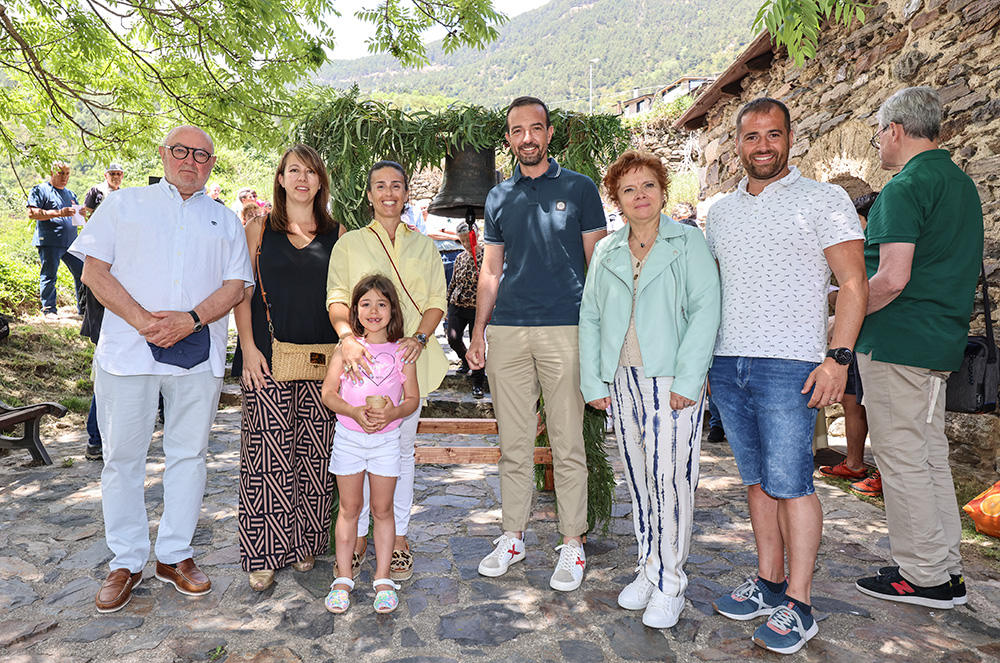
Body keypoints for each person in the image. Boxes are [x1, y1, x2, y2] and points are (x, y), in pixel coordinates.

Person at [705, 98, 867, 654]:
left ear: (790, 138)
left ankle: (800, 604)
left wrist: (838, 358)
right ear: (737, 144)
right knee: (757, 481)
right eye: (752, 136)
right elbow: (715, 291)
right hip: (729, 362)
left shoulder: (824, 199)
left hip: (792, 365)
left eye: (773, 134)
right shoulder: (720, 213)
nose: (763, 146)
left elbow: (854, 283)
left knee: (793, 483)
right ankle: (769, 581)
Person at [69, 125, 252, 614]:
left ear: (212, 164)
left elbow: (236, 286)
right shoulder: (123, 204)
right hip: (128, 354)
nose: (190, 160)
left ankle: (175, 555)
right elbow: (93, 272)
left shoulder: (225, 220)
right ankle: (126, 561)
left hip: (196, 354)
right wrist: (144, 322)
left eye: (202, 154)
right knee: (122, 459)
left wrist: (188, 320)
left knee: (189, 455)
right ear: (163, 153)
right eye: (181, 151)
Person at [467, 96, 606, 592]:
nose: (527, 137)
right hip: (507, 331)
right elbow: (490, 270)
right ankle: (513, 536)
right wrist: (479, 331)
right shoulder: (498, 197)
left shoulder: (580, 188)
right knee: (514, 445)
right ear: (508, 138)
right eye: (517, 130)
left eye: (535, 128)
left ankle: (572, 542)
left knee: (567, 443)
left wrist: (600, 336)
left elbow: (598, 268)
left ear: (549, 133)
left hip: (565, 329)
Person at [853, 86, 983, 609]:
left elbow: (890, 279)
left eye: (878, 133)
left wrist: (840, 314)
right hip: (939, 342)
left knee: (901, 460)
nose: (879, 143)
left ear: (896, 130)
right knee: (928, 458)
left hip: (897, 341)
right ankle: (944, 568)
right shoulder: (961, 183)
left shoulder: (905, 187)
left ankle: (923, 575)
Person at [579, 150, 720, 627]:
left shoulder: (688, 241)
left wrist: (689, 379)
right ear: (616, 199)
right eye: (628, 189)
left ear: (662, 190)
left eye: (648, 186)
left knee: (671, 480)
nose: (639, 195)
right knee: (639, 479)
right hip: (622, 379)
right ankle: (649, 566)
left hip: (671, 379)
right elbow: (591, 316)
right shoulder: (607, 250)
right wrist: (594, 380)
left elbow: (705, 310)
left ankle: (671, 583)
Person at [326, 160, 448, 583]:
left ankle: (397, 536)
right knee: (358, 449)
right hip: (359, 364)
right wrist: (347, 338)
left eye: (396, 185)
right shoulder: (350, 244)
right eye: (380, 185)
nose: (389, 193)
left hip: (408, 363)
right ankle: (359, 534)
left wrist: (419, 338)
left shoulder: (425, 246)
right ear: (369, 195)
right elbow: (337, 297)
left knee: (399, 452)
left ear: (406, 193)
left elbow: (436, 300)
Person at [232, 145, 340, 592]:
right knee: (266, 456)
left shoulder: (338, 233)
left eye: (310, 171)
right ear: (280, 178)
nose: (302, 178)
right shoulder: (258, 229)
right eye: (293, 170)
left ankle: (304, 543)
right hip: (266, 357)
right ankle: (263, 554)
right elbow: (241, 293)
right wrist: (248, 348)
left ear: (320, 181)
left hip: (323, 360)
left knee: (315, 456)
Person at [322, 275, 419, 614]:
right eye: (365, 304)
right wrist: (352, 411)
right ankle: (343, 579)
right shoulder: (345, 349)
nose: (373, 311)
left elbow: (411, 399)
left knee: (382, 510)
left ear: (393, 311)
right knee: (349, 509)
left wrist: (393, 413)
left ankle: (383, 579)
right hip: (349, 439)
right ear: (355, 310)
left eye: (381, 304)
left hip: (386, 442)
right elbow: (329, 393)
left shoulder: (402, 353)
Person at [819, 192, 879, 496]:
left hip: (878, 339)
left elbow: (864, 289)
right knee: (851, 399)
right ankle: (854, 463)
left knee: (879, 406)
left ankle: (883, 472)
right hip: (857, 339)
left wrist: (843, 304)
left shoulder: (880, 249)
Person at [78, 163, 125, 462]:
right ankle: (95, 439)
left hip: (118, 324)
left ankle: (100, 439)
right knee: (106, 380)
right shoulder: (101, 245)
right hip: (107, 324)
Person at [27, 161, 83, 318]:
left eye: (67, 173)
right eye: (61, 173)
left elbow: (77, 220)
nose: (65, 177)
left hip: (71, 242)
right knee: (49, 275)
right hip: (50, 241)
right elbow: (32, 213)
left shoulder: (71, 194)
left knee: (83, 273)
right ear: (52, 173)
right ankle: (49, 309)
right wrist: (59, 213)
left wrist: (82, 214)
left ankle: (84, 309)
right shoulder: (40, 190)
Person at [446, 221, 485, 397]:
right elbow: (453, 282)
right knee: (453, 338)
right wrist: (447, 303)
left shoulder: (487, 256)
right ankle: (465, 360)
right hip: (458, 303)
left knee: (476, 344)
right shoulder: (460, 258)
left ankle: (478, 381)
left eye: (468, 240)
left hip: (477, 306)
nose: (466, 244)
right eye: (462, 241)